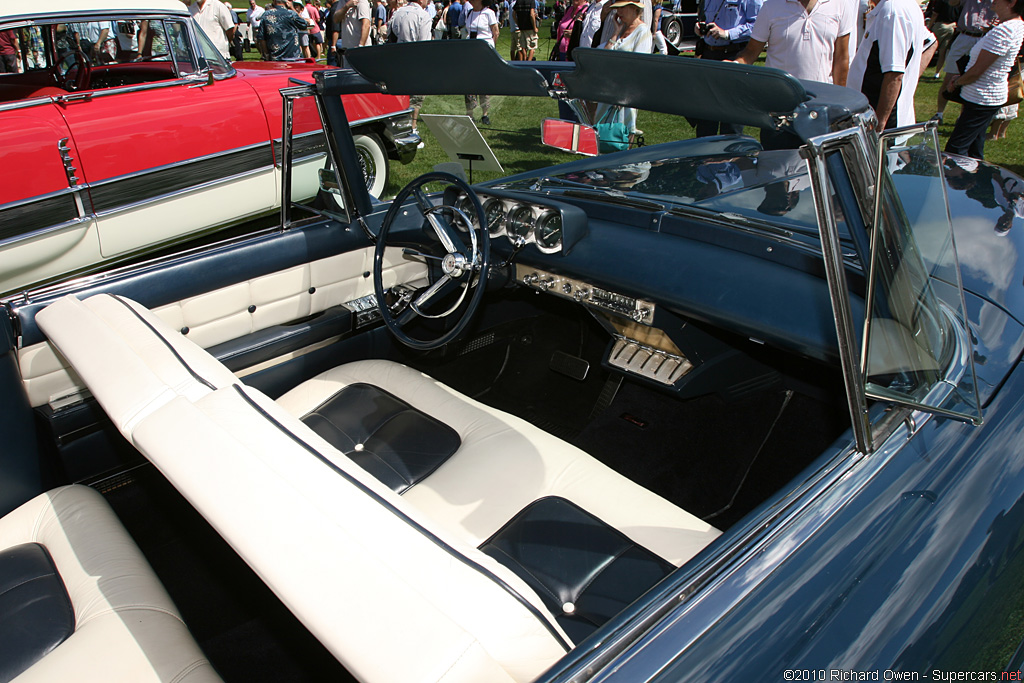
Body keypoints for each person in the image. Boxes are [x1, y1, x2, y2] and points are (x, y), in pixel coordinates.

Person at [944, 0, 1024, 159]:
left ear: (1012, 2)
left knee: (955, 151)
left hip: (982, 97)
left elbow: (978, 71)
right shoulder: (1012, 26)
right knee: (974, 149)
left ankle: (959, 179)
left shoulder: (1005, 30)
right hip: (985, 96)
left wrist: (957, 82)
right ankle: (975, 180)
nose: (993, 0)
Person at [847, 0, 926, 130]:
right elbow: (931, 42)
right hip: (882, 118)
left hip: (883, 124)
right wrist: (911, 76)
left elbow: (894, 75)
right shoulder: (900, 6)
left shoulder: (892, 11)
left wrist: (879, 125)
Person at [734, 0, 853, 86]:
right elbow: (751, 51)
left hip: (821, 100)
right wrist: (734, 65)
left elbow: (841, 58)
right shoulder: (771, 6)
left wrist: (839, 98)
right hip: (780, 98)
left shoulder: (839, 5)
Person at [693, 0, 762, 136]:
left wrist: (727, 33)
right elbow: (705, 17)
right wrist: (699, 27)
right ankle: (704, 155)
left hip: (735, 56)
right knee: (705, 115)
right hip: (709, 55)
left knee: (732, 116)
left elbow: (757, 25)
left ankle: (731, 156)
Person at [597, 0, 652, 145]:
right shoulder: (620, 30)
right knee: (603, 135)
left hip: (626, 92)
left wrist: (623, 93)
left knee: (622, 134)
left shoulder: (643, 31)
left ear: (634, 9)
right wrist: (615, 32)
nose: (618, 12)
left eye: (622, 8)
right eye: (617, 8)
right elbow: (603, 55)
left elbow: (639, 66)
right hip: (608, 90)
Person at [931, 0, 996, 122]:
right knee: (949, 77)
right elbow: (952, 3)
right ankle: (939, 113)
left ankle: (962, 116)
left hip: (983, 38)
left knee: (971, 80)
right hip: (964, 36)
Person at [389, 0, 432, 135]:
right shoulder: (423, 16)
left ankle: (397, 128)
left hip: (397, 61)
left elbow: (390, 38)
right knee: (415, 100)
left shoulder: (396, 13)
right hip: (415, 62)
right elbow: (424, 44)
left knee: (400, 98)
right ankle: (412, 129)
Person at [463, 0, 499, 125]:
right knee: (469, 83)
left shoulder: (489, 13)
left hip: (484, 52)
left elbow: (496, 32)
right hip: (471, 52)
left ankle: (485, 114)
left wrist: (491, 49)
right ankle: (470, 113)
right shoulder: (469, 13)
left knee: (484, 83)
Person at [924, 0, 958, 80]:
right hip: (952, 26)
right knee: (943, 52)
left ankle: (922, 67)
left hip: (940, 26)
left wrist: (929, 27)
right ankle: (937, 73)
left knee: (930, 48)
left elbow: (935, 14)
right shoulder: (957, 2)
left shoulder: (942, 1)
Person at [331, 0, 372, 65]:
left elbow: (366, 25)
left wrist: (361, 46)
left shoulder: (362, 2)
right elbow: (336, 19)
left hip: (360, 51)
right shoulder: (342, 2)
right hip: (347, 51)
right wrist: (346, 6)